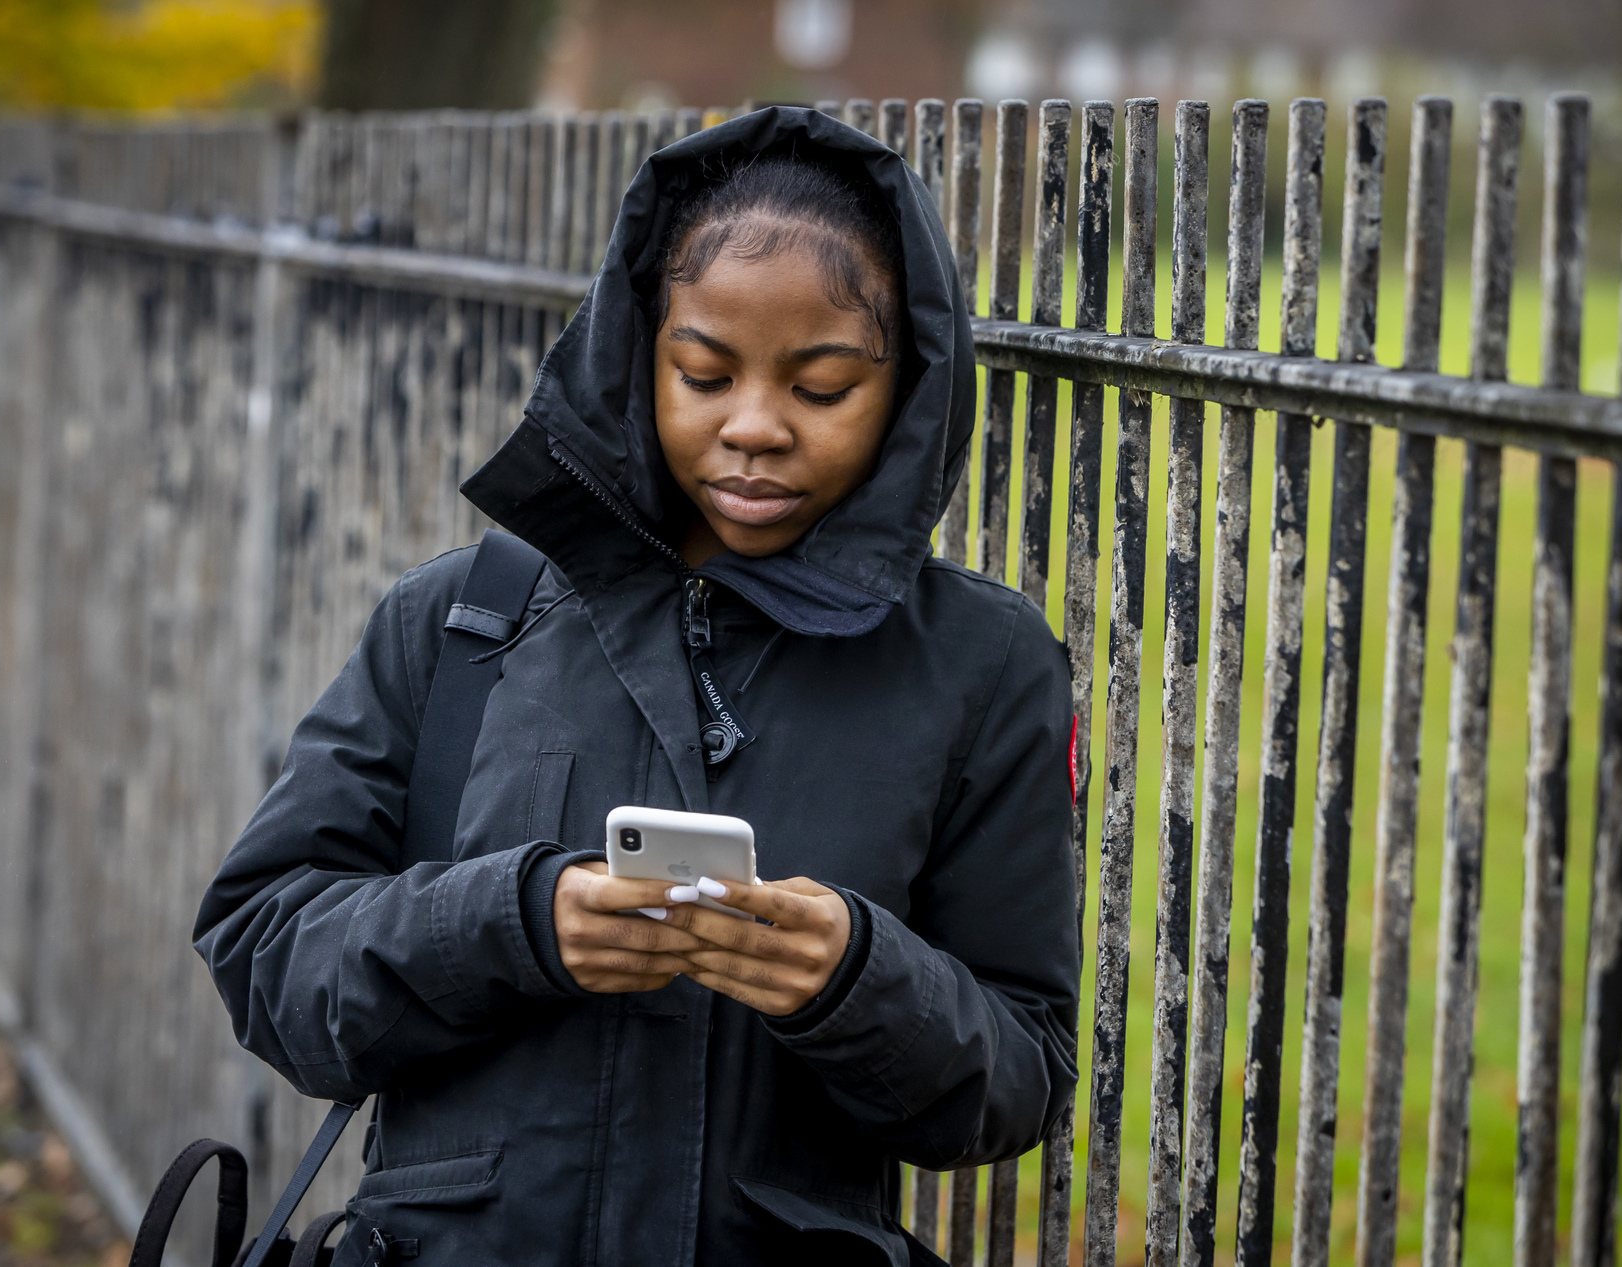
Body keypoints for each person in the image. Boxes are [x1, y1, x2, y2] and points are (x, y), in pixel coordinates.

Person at [193, 104, 1080, 1267]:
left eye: (820, 389)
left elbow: (1017, 1081)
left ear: (907, 391)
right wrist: (510, 921)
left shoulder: (985, 665)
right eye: (703, 374)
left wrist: (855, 978)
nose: (753, 428)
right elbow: (265, 949)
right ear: (638, 355)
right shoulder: (467, 619)